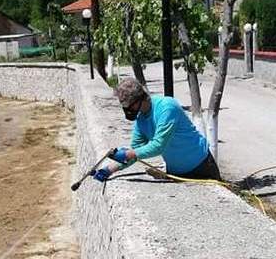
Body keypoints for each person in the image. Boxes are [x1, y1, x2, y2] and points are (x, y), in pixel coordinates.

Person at [93, 78, 221, 182]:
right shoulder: (141, 119)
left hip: (202, 166)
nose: (126, 110)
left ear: (138, 99)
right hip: (176, 173)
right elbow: (136, 152)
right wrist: (109, 170)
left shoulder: (167, 108)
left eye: (127, 105)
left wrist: (127, 154)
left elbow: (158, 145)